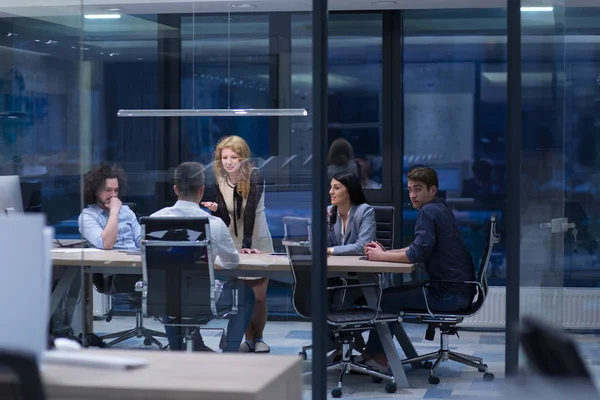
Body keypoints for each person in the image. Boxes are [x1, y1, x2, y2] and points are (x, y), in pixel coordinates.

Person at [362, 167, 476, 368]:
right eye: (410, 190)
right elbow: (418, 247)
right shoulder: (440, 208)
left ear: (432, 190)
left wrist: (381, 256)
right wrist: (385, 253)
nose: (413, 195)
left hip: (448, 296)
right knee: (389, 296)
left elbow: (416, 255)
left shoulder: (428, 211)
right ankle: (374, 355)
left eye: (418, 189)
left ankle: (377, 359)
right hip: (458, 291)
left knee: (386, 299)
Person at [151, 162, 254, 352]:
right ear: (201, 190)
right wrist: (211, 259)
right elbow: (232, 263)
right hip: (204, 300)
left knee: (170, 287)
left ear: (175, 189)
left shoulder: (153, 221)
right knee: (246, 293)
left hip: (165, 298)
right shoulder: (214, 223)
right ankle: (230, 354)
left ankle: (178, 349)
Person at [202, 135, 274, 353]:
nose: (229, 161)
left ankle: (259, 337)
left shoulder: (255, 175)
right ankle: (248, 339)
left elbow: (249, 211)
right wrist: (216, 210)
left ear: (243, 158)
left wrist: (248, 244)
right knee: (242, 297)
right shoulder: (220, 180)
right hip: (233, 242)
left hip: (256, 239)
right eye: (225, 157)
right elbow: (226, 218)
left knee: (259, 297)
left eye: (234, 157)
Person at [79, 163, 140, 250]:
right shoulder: (87, 217)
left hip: (134, 260)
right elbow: (106, 244)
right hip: (110, 262)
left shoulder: (126, 211)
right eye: (108, 190)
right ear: (96, 191)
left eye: (116, 190)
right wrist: (114, 212)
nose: (113, 195)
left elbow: (140, 238)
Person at [326, 171, 376, 256]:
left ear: (349, 192)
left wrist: (331, 250)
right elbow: (319, 246)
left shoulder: (365, 211)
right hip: (334, 266)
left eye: (336, 188)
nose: (331, 192)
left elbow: (363, 246)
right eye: (331, 187)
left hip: (358, 266)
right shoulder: (328, 211)